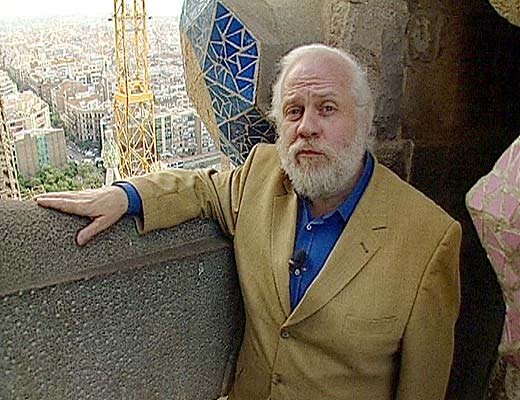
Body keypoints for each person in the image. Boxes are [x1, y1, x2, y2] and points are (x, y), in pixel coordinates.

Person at [37, 43, 462, 399]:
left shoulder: (428, 240)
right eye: (293, 111)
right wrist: (124, 196)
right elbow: (203, 189)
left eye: (327, 108)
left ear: (365, 120)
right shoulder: (262, 173)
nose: (307, 127)